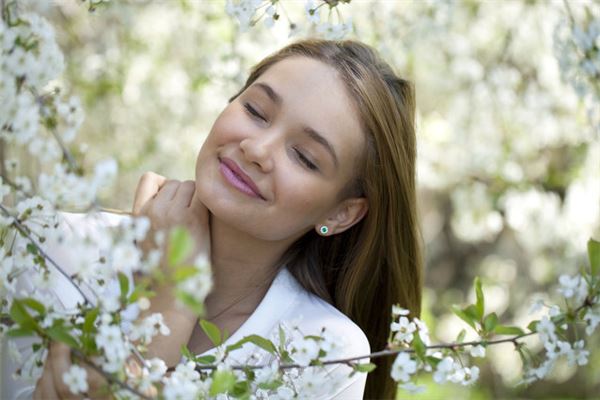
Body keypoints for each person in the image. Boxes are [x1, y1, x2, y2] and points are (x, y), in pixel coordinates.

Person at [29, 38, 422, 399]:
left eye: (304, 157)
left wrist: (172, 299)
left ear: (341, 213)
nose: (257, 149)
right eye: (255, 111)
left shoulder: (323, 354)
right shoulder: (55, 249)